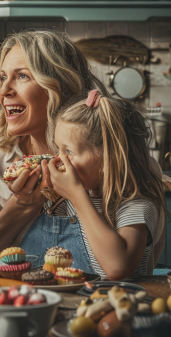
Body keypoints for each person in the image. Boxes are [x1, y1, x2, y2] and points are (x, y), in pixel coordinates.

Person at [0, 29, 166, 268]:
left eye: (22, 76)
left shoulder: (124, 162)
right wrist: (20, 207)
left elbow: (126, 265)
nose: (4, 91)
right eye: (3, 78)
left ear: (61, 86)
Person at [37, 90, 166, 279]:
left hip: (120, 303)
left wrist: (77, 196)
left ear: (107, 159)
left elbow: (118, 267)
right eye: (58, 149)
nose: (59, 159)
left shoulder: (136, 205)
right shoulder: (65, 200)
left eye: (69, 151)